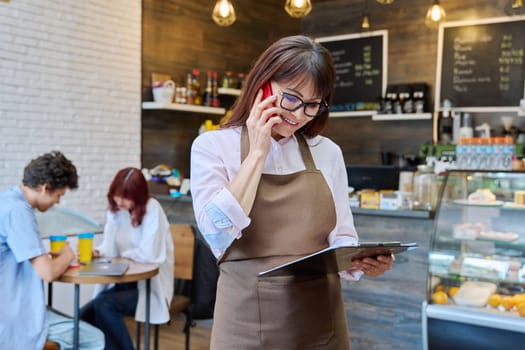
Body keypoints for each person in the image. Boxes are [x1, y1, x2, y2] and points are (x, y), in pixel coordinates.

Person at [190, 35, 395, 349]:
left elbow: (341, 234)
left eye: (313, 104)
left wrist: (358, 260)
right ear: (263, 85)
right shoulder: (213, 146)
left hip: (320, 321)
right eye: (291, 98)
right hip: (245, 325)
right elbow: (216, 234)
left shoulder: (327, 152)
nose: (299, 114)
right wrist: (258, 152)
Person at [0, 151, 105, 350]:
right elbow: (47, 273)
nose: (58, 202)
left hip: (7, 305)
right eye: (58, 196)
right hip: (10, 318)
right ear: (45, 187)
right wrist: (68, 254)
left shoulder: (6, 200)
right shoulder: (19, 211)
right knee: (93, 339)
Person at [79, 167, 174, 350]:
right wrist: (97, 252)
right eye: (117, 195)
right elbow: (110, 246)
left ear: (139, 197)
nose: (120, 201)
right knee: (82, 317)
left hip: (147, 284)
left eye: (126, 197)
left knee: (104, 305)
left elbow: (149, 254)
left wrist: (122, 256)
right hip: (122, 282)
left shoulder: (152, 209)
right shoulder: (116, 211)